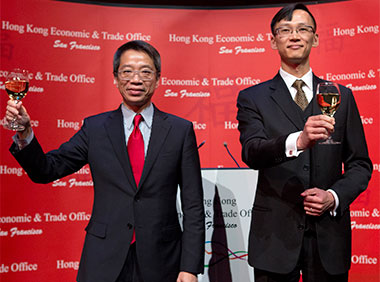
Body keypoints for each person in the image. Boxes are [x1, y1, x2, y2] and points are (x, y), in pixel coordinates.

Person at [5, 40, 205, 282]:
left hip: (163, 260)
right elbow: (46, 170)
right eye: (127, 71)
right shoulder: (95, 128)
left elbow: (193, 204)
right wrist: (25, 134)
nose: (136, 79)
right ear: (115, 77)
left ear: (158, 78)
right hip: (103, 259)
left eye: (145, 72)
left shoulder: (180, 130)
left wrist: (190, 267)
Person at [236, 4, 372, 282]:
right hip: (274, 238)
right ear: (273, 41)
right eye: (285, 30)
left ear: (316, 38)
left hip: (329, 238)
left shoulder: (341, 96)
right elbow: (252, 152)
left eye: (303, 29)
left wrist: (333, 197)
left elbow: (360, 164)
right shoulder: (253, 98)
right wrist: (298, 140)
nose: (294, 36)